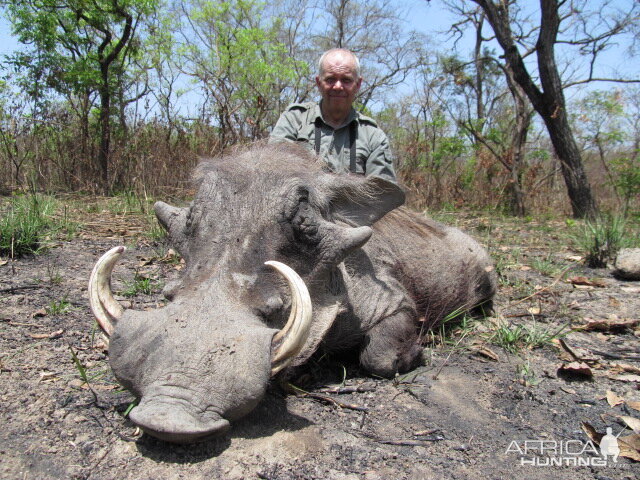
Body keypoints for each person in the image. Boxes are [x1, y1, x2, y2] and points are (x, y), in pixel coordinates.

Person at [269, 48, 397, 183]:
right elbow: (274, 174)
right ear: (318, 83)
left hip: (354, 205)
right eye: (330, 79)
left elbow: (383, 195)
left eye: (346, 80)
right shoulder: (294, 119)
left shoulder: (373, 136)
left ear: (358, 84)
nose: (337, 86)